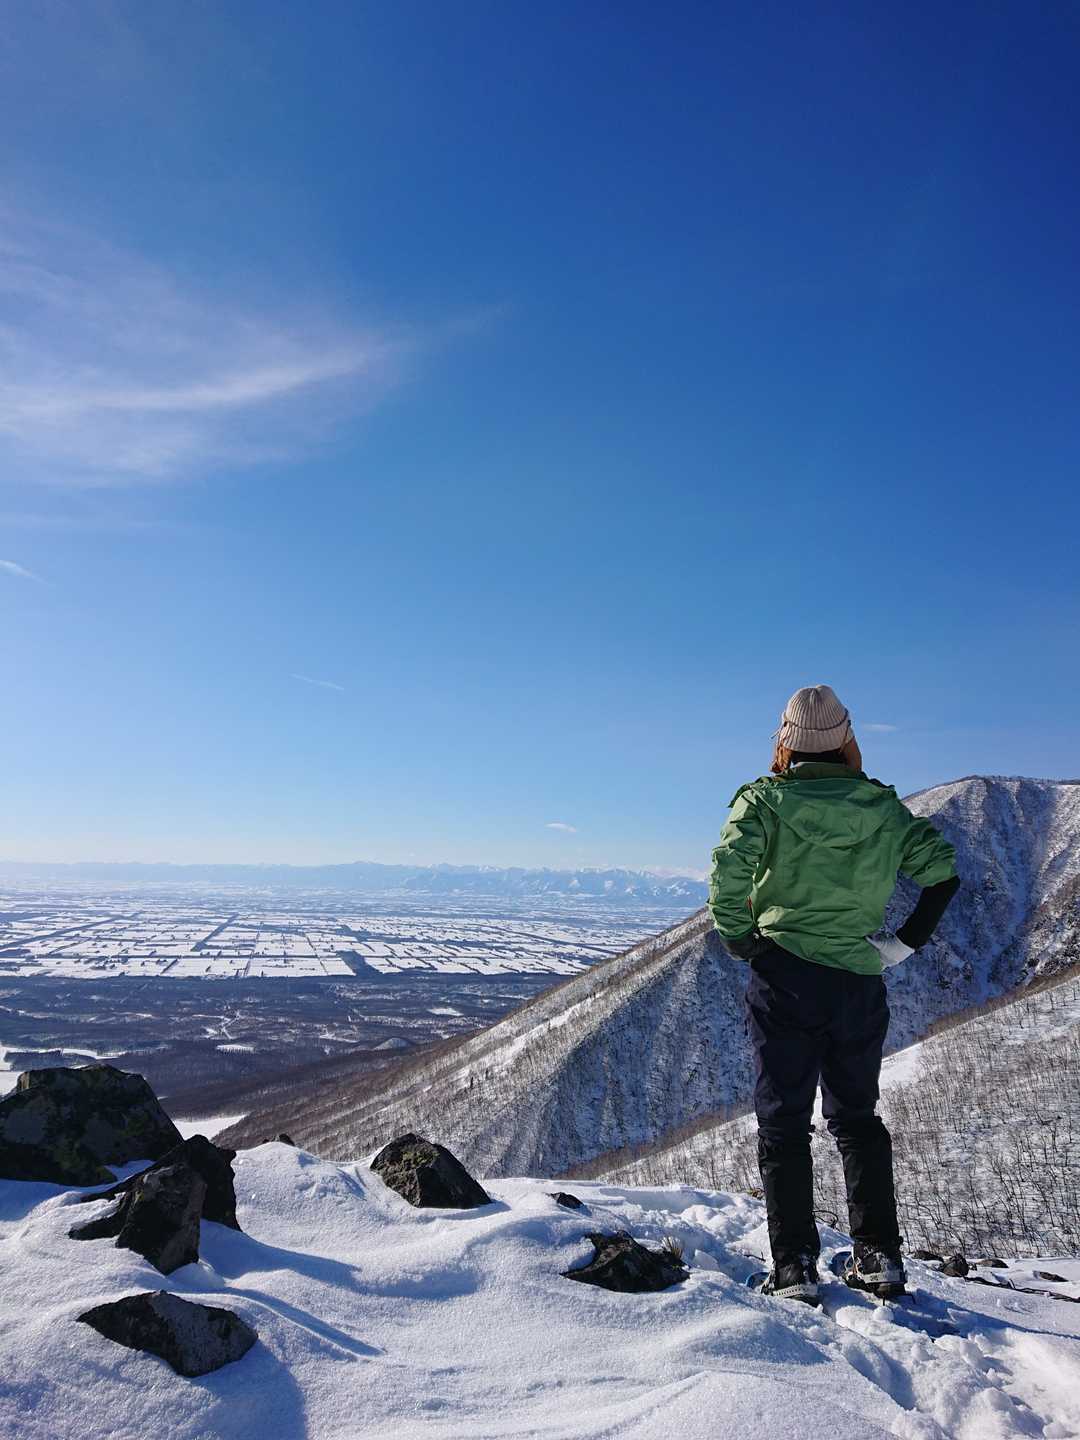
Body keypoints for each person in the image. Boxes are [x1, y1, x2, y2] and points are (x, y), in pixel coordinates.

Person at [709, 685, 960, 1304]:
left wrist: (743, 941)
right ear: (847, 739)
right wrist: (900, 946)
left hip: (784, 977)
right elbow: (942, 876)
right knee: (856, 1119)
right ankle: (879, 1258)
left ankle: (794, 1267)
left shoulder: (763, 802)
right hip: (857, 981)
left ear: (785, 741)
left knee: (783, 1123)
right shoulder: (881, 808)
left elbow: (726, 878)